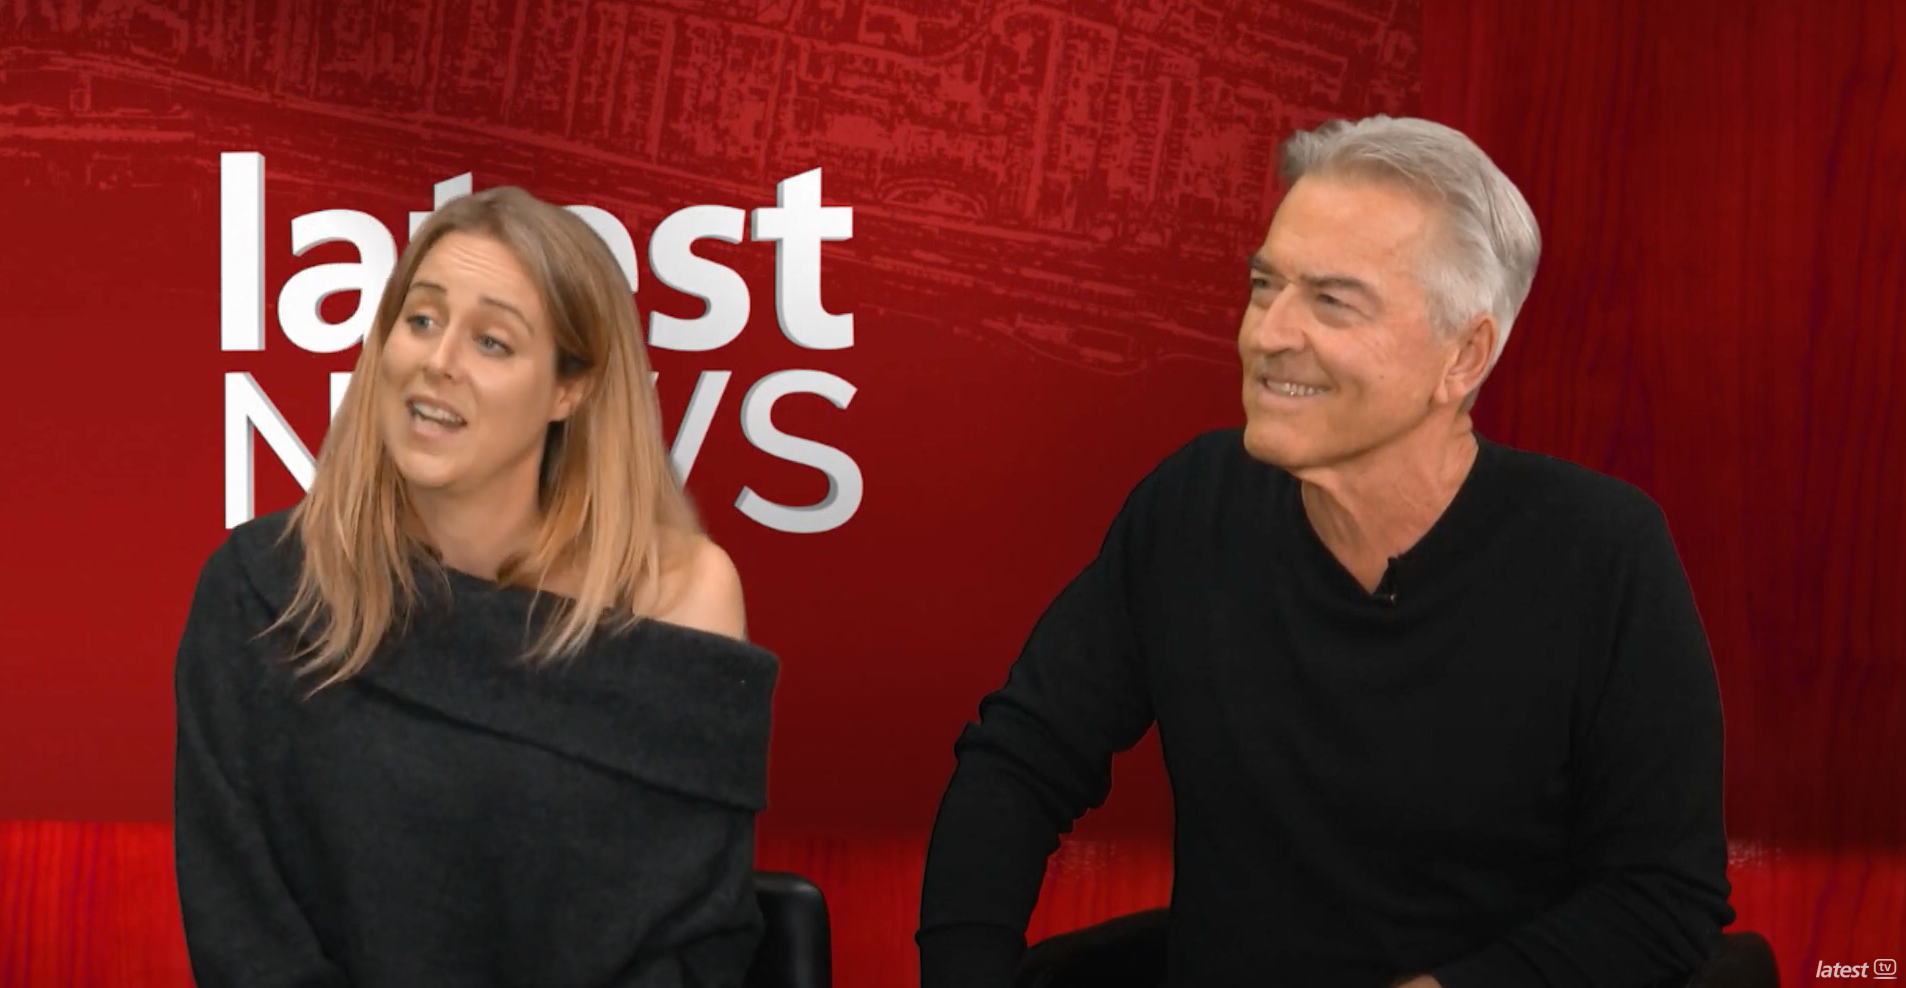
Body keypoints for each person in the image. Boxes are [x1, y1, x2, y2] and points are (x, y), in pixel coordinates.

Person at [917, 116, 1735, 988]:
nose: (1268, 333)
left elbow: (1663, 897)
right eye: (1265, 286)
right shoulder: (1193, 504)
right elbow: (1020, 761)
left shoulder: (1601, 552)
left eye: (1332, 301)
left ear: (1464, 357)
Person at [173, 186, 778, 988]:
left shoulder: (680, 595)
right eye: (422, 320)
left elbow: (695, 942)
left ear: (569, 389)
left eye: (492, 341)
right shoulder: (260, 590)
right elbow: (243, 935)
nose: (439, 360)